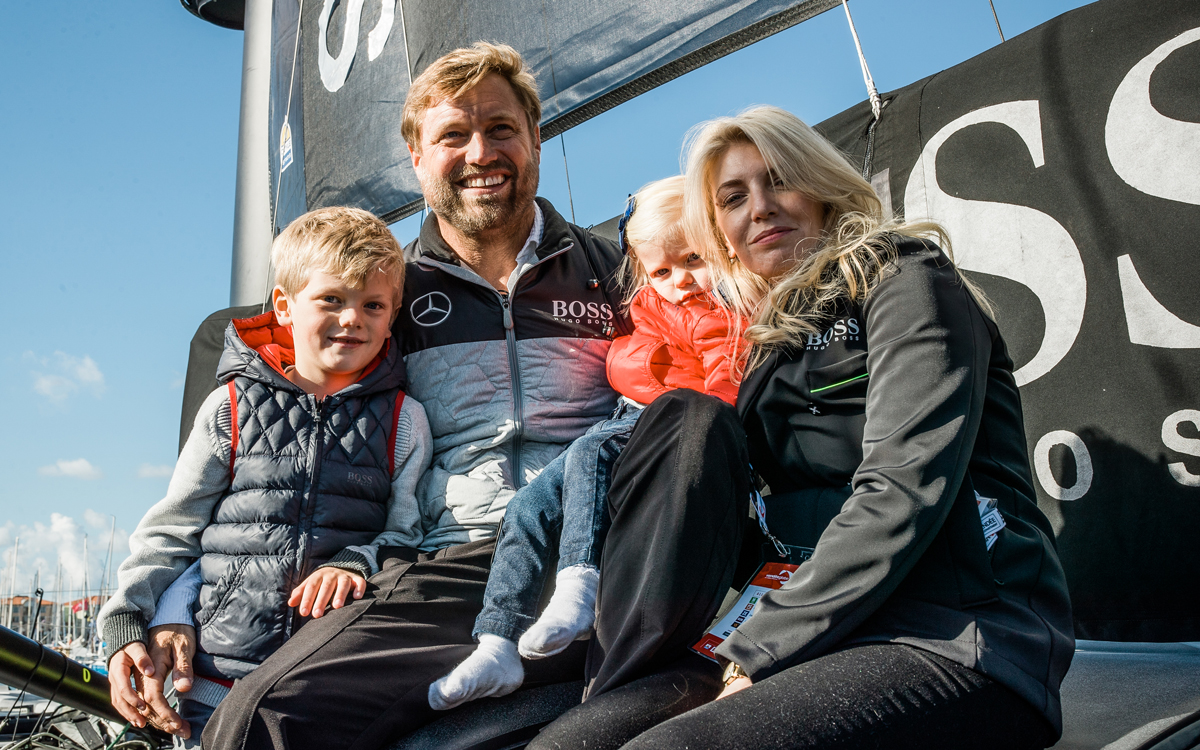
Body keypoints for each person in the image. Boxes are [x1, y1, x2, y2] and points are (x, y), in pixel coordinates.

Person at [198, 44, 750, 750]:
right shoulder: (384, 296)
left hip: (619, 554)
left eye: (501, 129)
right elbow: (281, 429)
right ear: (417, 157)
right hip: (456, 565)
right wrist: (171, 608)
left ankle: (618, 689)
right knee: (259, 720)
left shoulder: (623, 270)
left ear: (536, 141)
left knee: (691, 416)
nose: (480, 152)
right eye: (453, 135)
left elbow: (736, 349)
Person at [602, 106, 1075, 749]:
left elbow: (902, 488)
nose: (760, 208)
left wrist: (761, 649)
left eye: (779, 179)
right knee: (577, 737)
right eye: (733, 198)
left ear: (822, 187)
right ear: (722, 233)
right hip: (812, 630)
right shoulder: (764, 348)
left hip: (954, 635)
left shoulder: (904, 276)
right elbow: (768, 530)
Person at [98, 206, 432, 746]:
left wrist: (355, 561)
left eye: (373, 305)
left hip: (323, 689)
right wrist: (125, 621)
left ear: (392, 315)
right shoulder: (229, 406)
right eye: (331, 299)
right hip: (212, 686)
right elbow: (173, 528)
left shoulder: (405, 421)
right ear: (284, 304)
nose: (353, 319)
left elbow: (406, 534)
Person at [428, 175, 745, 711]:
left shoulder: (717, 313)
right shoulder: (651, 301)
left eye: (693, 259)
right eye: (662, 270)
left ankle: (579, 582)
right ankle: (497, 641)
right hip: (624, 415)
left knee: (590, 456)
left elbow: (724, 383)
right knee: (527, 505)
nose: (680, 281)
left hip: (660, 426)